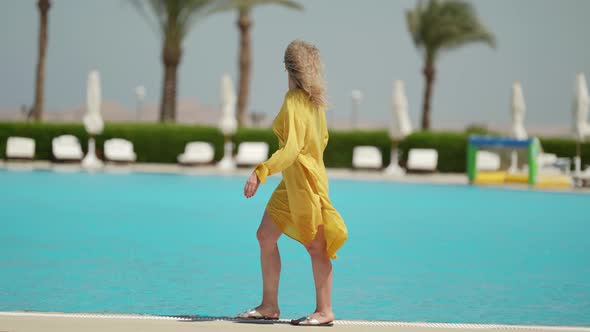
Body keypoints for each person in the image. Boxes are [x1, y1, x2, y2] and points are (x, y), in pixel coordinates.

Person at [238, 40, 348, 327]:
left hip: (304, 184)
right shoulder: (316, 103)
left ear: (288, 69)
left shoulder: (294, 101)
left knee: (317, 246)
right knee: (265, 236)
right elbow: (322, 141)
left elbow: (291, 150)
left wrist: (260, 172)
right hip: (293, 183)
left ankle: (325, 311)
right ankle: (269, 306)